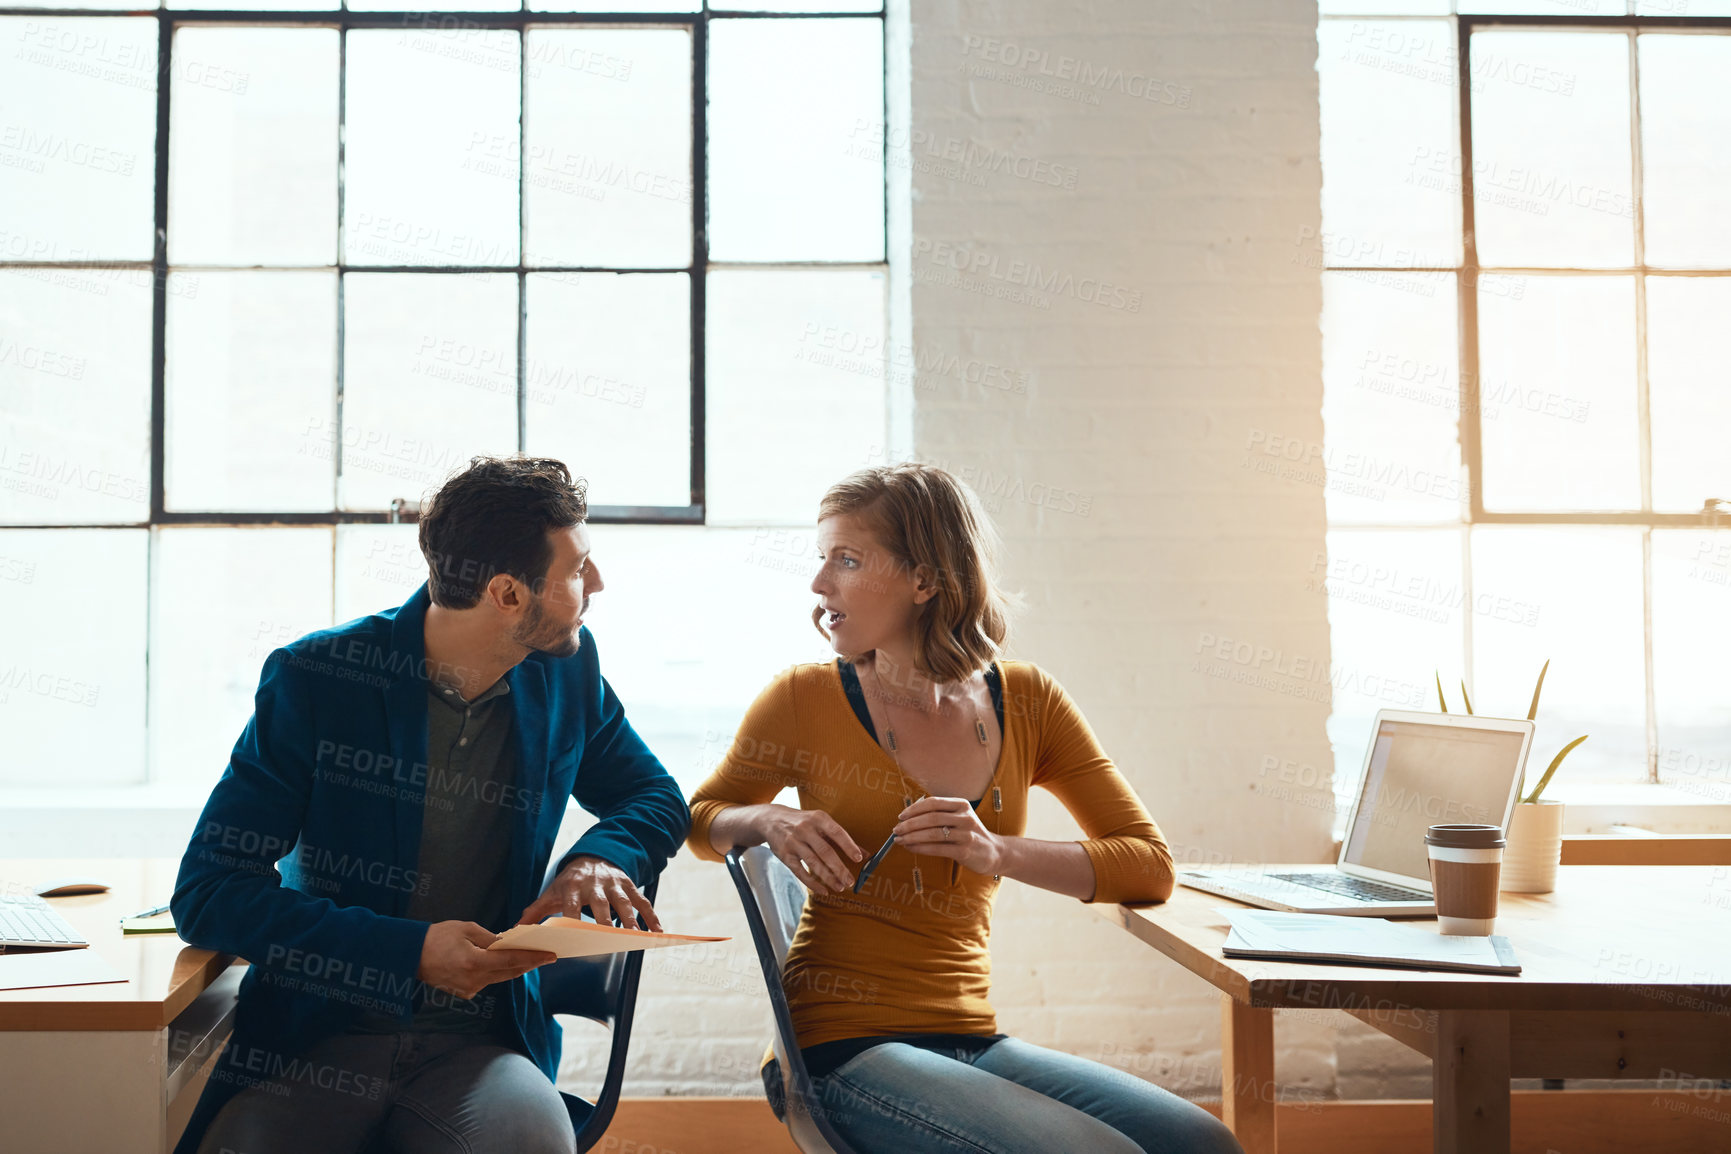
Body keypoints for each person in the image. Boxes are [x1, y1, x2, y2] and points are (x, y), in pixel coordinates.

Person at [686, 463, 1242, 1154]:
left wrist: (995, 851)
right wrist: (767, 819)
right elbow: (702, 819)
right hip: (836, 1050)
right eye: (821, 559)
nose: (819, 584)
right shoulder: (802, 697)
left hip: (968, 1037)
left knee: (1201, 1143)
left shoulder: (1028, 700)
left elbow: (1147, 867)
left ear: (924, 580)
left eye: (848, 560)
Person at [172, 456, 690, 1154]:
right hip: (313, 1044)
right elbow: (211, 893)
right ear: (507, 593)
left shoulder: (565, 670)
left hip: (481, 1047)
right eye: (576, 570)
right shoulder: (318, 678)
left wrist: (597, 855)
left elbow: (652, 794)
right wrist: (409, 952)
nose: (596, 584)